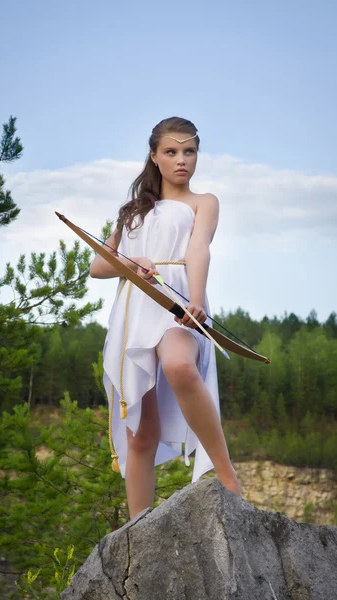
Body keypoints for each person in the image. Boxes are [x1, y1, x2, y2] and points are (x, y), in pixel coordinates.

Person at [90, 116, 241, 520]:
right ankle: (138, 528)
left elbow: (198, 249)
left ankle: (229, 480)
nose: (181, 160)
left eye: (189, 151)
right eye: (171, 152)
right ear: (154, 156)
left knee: (179, 365)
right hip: (134, 309)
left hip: (178, 301)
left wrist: (195, 300)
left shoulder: (203, 201)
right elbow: (97, 266)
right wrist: (129, 261)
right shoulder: (133, 210)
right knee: (140, 433)